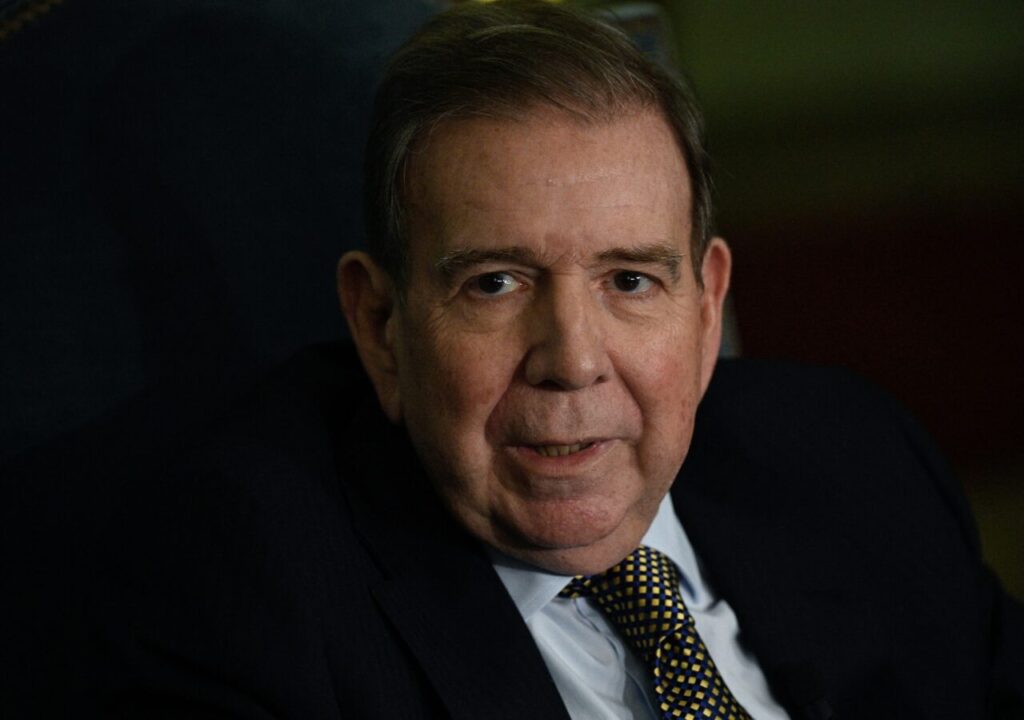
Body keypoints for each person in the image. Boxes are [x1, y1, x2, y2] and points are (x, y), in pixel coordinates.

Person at [3, 1, 1021, 718]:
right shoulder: (240, 596)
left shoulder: (857, 463)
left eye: (630, 280)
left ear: (708, 306)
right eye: (496, 282)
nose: (572, 361)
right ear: (381, 324)